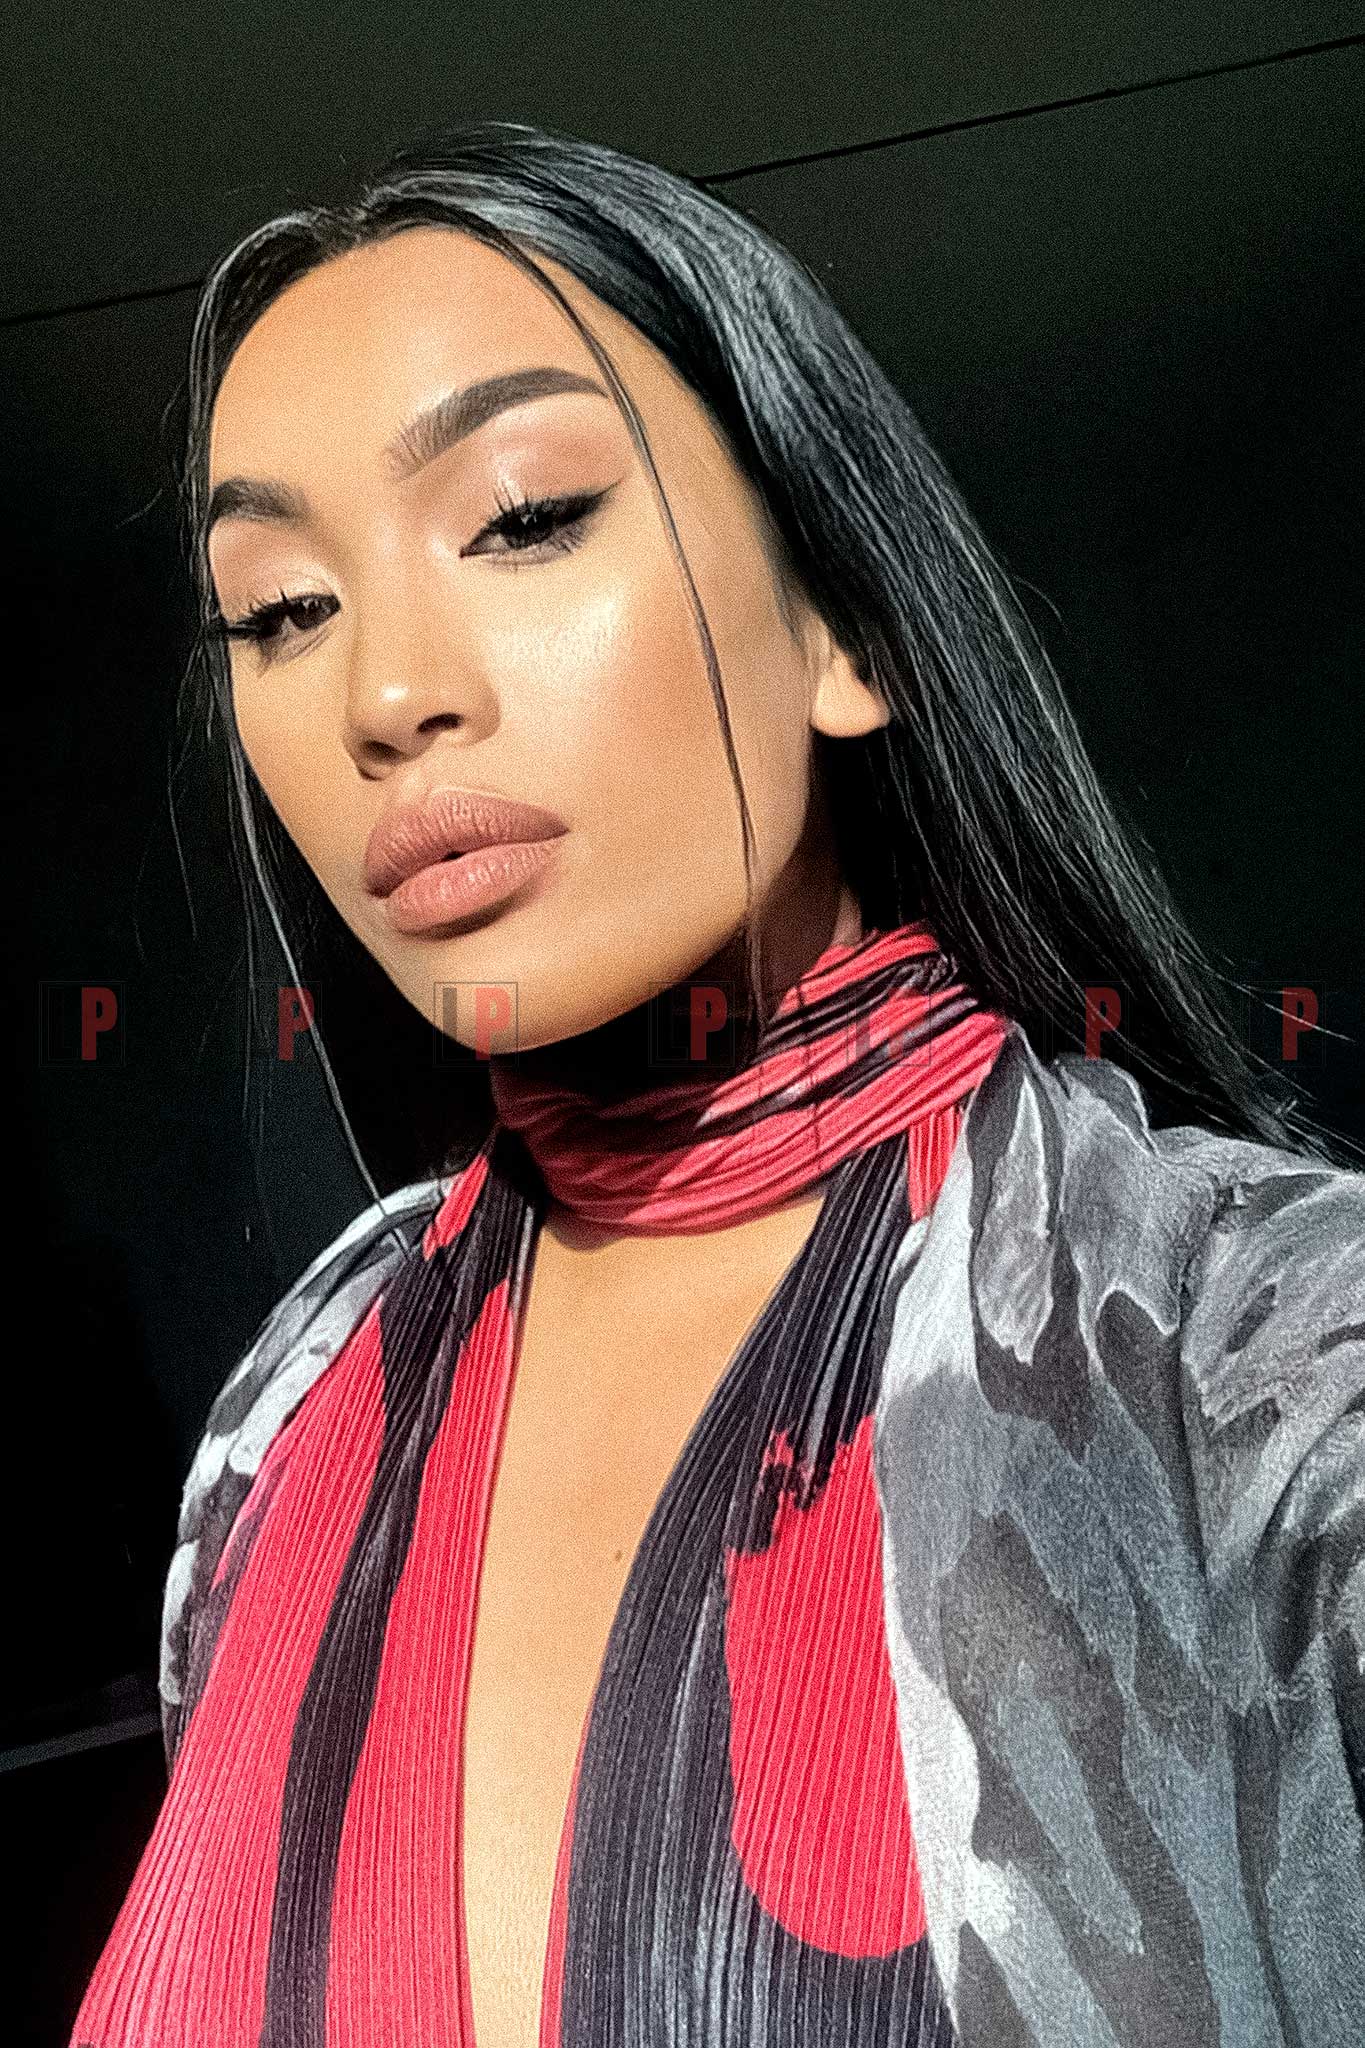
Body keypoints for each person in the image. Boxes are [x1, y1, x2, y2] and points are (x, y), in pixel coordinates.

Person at [72, 121, 1365, 2048]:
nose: (383, 697)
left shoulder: (1252, 1349)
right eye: (280, 611)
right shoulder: (295, 1404)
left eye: (522, 517)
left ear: (841, 620)